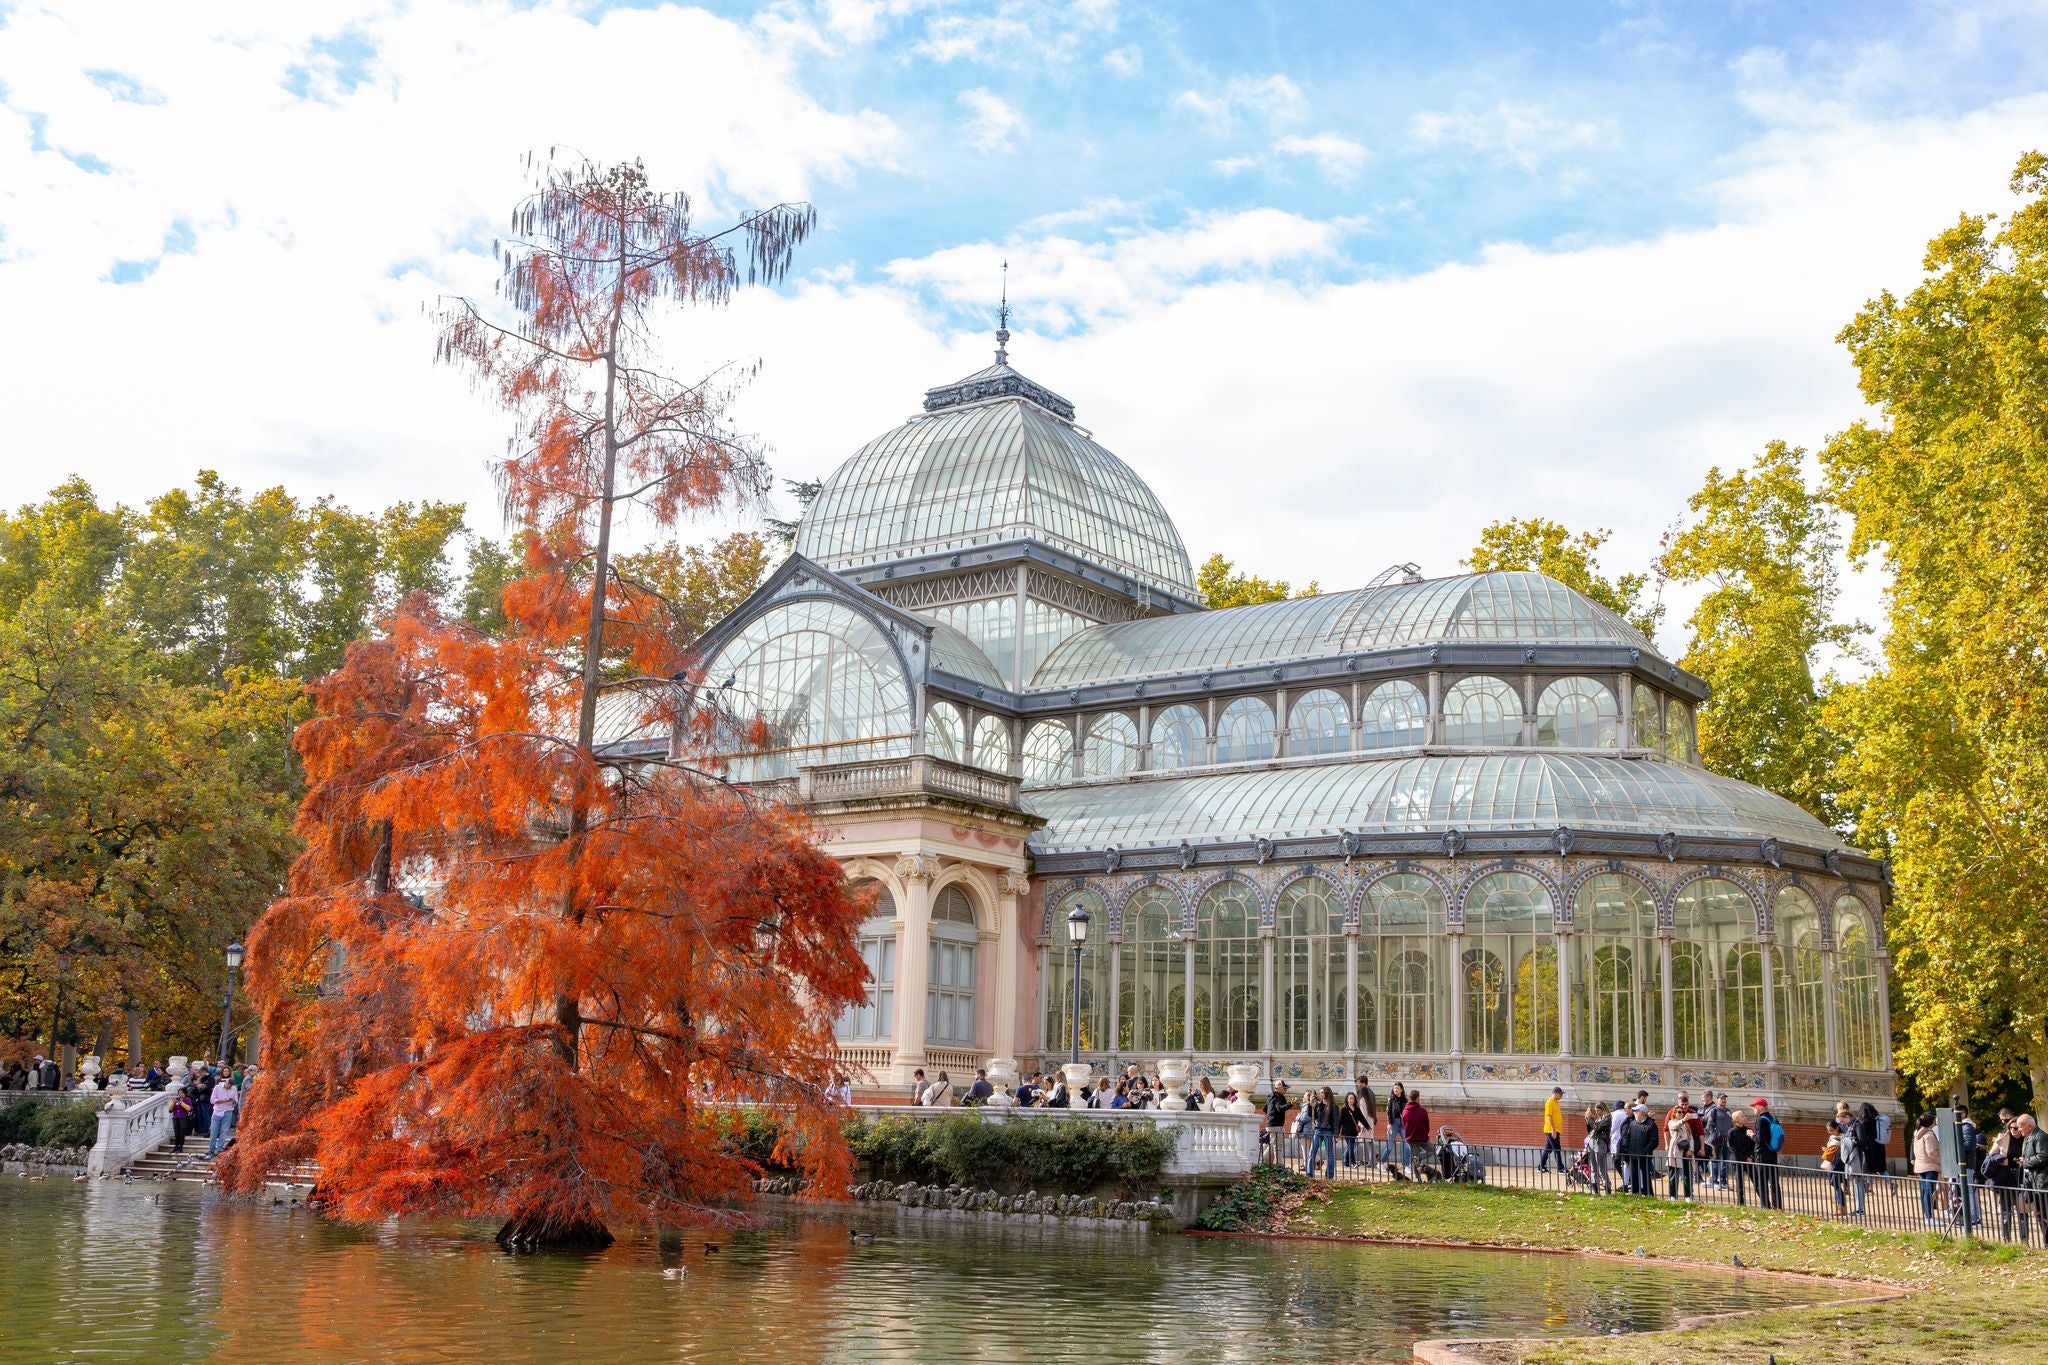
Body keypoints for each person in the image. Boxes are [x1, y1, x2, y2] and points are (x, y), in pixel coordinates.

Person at [1983, 1112, 2025, 1241]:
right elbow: (1990, 1155)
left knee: (2023, 1210)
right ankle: (2006, 1237)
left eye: (2016, 1128)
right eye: (2011, 1128)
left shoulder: (2027, 1139)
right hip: (2006, 1176)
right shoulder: (2003, 1138)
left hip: (2022, 1176)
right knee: (2006, 1209)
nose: (2013, 1130)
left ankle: (2024, 1238)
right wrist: (2000, 1159)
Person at [1664, 1093, 1702, 1200]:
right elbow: (1673, 1126)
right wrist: (1683, 1120)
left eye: (1682, 1112)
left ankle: (1688, 1196)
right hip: (1675, 1151)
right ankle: (1672, 1196)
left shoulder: (1686, 1124)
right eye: (1679, 1112)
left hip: (1686, 1150)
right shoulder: (1672, 1122)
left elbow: (1690, 1138)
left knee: (1687, 1173)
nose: (1681, 1113)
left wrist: (1691, 1149)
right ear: (1675, 1113)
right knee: (1673, 1175)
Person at [1617, 1102, 1659, 1196]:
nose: (1634, 1112)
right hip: (1633, 1154)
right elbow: (1628, 1136)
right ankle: (1635, 1193)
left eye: (1637, 1111)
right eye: (1634, 1111)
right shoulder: (1633, 1123)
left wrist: (1645, 1151)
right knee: (1634, 1175)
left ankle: (1648, 1194)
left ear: (1643, 1113)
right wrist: (1626, 1148)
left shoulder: (1651, 1125)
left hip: (1644, 1155)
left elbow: (1654, 1141)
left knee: (1645, 1176)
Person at [1749, 1098, 1784, 1209]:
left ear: (1761, 1107)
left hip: (1762, 1153)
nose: (1754, 1108)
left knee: (1761, 1181)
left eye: (1755, 1106)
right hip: (1772, 1152)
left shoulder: (1760, 1120)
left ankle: (1766, 1206)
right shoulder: (1774, 1118)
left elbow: (1759, 1139)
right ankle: (1777, 1206)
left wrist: (1751, 1134)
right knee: (1774, 1181)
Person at [2019, 1113, 2048, 1245]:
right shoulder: (2030, 1137)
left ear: (2029, 1126)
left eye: (2021, 1126)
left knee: (2044, 1215)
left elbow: (2044, 1156)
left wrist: (2026, 1162)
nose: (2019, 1129)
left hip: (2043, 1182)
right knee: (2040, 1215)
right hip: (2036, 1182)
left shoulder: (2041, 1137)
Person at [1912, 1112, 1942, 1225]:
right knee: (1929, 1191)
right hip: (1930, 1166)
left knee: (1924, 1191)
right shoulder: (1929, 1135)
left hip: (1920, 1165)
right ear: (1931, 1122)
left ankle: (1926, 1215)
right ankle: (1929, 1217)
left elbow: (1916, 1151)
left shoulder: (1917, 1134)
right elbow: (1931, 1153)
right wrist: (1941, 1161)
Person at [1304, 1086, 1338, 1180]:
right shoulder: (1318, 1104)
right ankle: (1309, 1174)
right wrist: (1310, 1105)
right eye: (1320, 1092)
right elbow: (1311, 1116)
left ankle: (1329, 1176)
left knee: (1329, 1155)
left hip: (1328, 1130)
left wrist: (1335, 1134)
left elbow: (1335, 1121)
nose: (1320, 1094)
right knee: (1312, 1152)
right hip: (1318, 1130)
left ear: (1327, 1093)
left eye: (1322, 1092)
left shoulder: (1333, 1106)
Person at [1703, 1092, 1734, 1189]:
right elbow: (1709, 1126)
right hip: (1716, 1141)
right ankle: (1714, 1181)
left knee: (1725, 1161)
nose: (1723, 1100)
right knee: (1715, 1161)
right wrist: (1716, 1135)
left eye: (1725, 1098)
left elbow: (1731, 1125)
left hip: (1726, 1141)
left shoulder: (1729, 1112)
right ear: (1717, 1099)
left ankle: (1724, 1181)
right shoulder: (1714, 1111)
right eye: (1721, 1098)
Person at [207, 1069, 240, 1156]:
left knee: (224, 1131)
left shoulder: (233, 1089)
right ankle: (211, 1149)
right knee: (214, 1131)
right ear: (226, 1083)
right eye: (228, 1085)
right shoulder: (217, 1087)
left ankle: (219, 1149)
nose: (229, 1087)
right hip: (217, 1111)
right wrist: (222, 1101)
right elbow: (212, 1100)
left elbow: (236, 1101)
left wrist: (232, 1101)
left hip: (228, 1111)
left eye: (231, 1086)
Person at [1727, 1109, 1756, 1207]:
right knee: (1739, 1182)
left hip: (1749, 1160)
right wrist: (1745, 1158)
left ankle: (1765, 1202)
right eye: (1742, 1116)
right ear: (1736, 1119)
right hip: (1738, 1160)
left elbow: (1753, 1145)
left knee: (1756, 1180)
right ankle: (1741, 1203)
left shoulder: (1748, 1131)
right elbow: (1732, 1148)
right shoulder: (1731, 1132)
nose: (1744, 1117)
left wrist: (1751, 1156)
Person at [1582, 1100, 1612, 1194]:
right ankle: (1595, 1188)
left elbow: (1598, 1128)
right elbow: (1591, 1130)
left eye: (1598, 1110)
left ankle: (1607, 1188)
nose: (1597, 1112)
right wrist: (1587, 1120)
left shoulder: (1607, 1118)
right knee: (1593, 1167)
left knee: (1601, 1168)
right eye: (1596, 1110)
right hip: (1592, 1142)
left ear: (1603, 1109)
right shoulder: (1598, 1119)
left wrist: (1590, 1118)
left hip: (1600, 1143)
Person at [1400, 1089, 1432, 1177]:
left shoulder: (1405, 1111)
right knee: (1432, 1151)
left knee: (1414, 1157)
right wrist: (1426, 1133)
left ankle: (1418, 1178)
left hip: (1410, 1138)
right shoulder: (1422, 1111)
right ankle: (1420, 1157)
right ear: (1418, 1098)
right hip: (1422, 1137)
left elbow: (1404, 1125)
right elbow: (1427, 1125)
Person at [1821, 1120, 1848, 1214]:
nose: (1830, 1132)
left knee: (1835, 1183)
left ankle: (1842, 1207)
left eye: (1831, 1130)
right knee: (1834, 1184)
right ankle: (1840, 1206)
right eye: (1828, 1130)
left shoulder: (1843, 1137)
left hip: (1839, 1163)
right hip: (1832, 1162)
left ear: (1837, 1128)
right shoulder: (1832, 1137)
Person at [1539, 1086, 1566, 1174]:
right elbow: (1549, 1117)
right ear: (1555, 1093)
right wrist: (1553, 1130)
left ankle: (1541, 1166)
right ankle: (1560, 1168)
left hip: (1555, 1130)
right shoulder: (1549, 1102)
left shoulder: (1555, 1102)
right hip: (1551, 1130)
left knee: (1548, 1149)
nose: (1561, 1096)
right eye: (1560, 1094)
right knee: (1557, 1148)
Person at [1264, 1082, 1291, 1164]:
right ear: (1279, 1088)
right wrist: (1291, 1104)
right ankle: (1280, 1168)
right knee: (1278, 1148)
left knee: (1272, 1146)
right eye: (1284, 1088)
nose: (1286, 1090)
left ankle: (1264, 1162)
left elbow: (1265, 1109)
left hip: (1270, 1124)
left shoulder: (1270, 1096)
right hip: (1276, 1125)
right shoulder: (1280, 1097)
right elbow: (1280, 1108)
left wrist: (1271, 1116)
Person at [1354, 1073, 1379, 1159]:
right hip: (1370, 1119)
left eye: (1358, 1083)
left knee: (1362, 1140)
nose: (1357, 1085)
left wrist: (1362, 1123)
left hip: (1366, 1120)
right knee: (1368, 1140)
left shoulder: (1365, 1093)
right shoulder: (1370, 1092)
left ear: (1363, 1083)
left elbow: (1364, 1110)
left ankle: (1350, 1158)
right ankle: (1371, 1158)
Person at [1386, 1083, 1411, 1168]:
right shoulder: (1391, 1099)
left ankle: (1406, 1165)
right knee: (1390, 1146)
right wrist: (1389, 1123)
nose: (1395, 1090)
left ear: (1401, 1089)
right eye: (1394, 1088)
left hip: (1403, 1123)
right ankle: (1380, 1162)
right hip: (1394, 1123)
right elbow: (1388, 1112)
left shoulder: (1405, 1100)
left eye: (1397, 1088)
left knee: (1407, 1144)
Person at [1338, 1092, 1365, 1169]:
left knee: (1350, 1146)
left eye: (1353, 1098)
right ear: (1347, 1099)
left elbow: (1362, 1118)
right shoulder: (1344, 1109)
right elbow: (1340, 1121)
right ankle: (1353, 1162)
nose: (1352, 1100)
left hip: (1354, 1131)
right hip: (1346, 1131)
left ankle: (1346, 1162)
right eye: (1350, 1098)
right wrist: (1338, 1132)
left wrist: (1367, 1126)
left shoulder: (1357, 1109)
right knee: (1351, 1146)